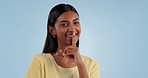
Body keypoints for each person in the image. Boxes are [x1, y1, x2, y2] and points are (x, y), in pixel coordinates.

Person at [26, 4, 100, 78]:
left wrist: (80, 64)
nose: (72, 29)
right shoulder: (40, 61)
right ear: (52, 31)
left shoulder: (91, 65)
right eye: (64, 24)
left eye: (75, 23)